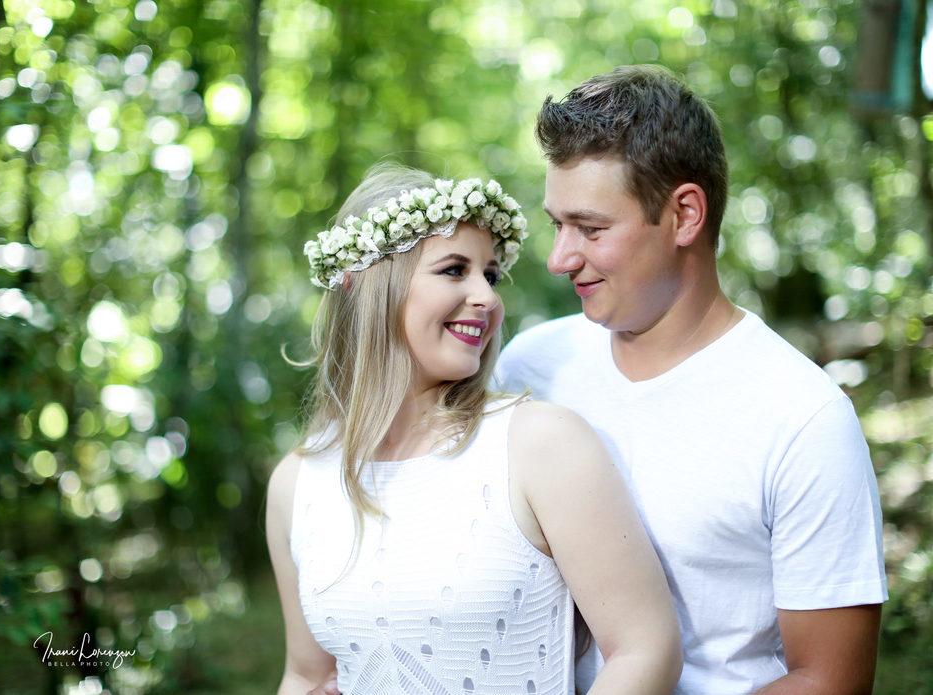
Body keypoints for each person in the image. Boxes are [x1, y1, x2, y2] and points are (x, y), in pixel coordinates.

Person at [495, 65, 888, 695]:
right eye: (557, 224)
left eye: (591, 229)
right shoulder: (528, 368)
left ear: (684, 215)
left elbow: (830, 682)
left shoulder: (802, 417)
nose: (560, 257)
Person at [266, 163, 682, 695]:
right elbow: (307, 675)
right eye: (454, 270)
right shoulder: (296, 483)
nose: (486, 297)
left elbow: (646, 649)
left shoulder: (540, 444)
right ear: (369, 285)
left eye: (489, 274)